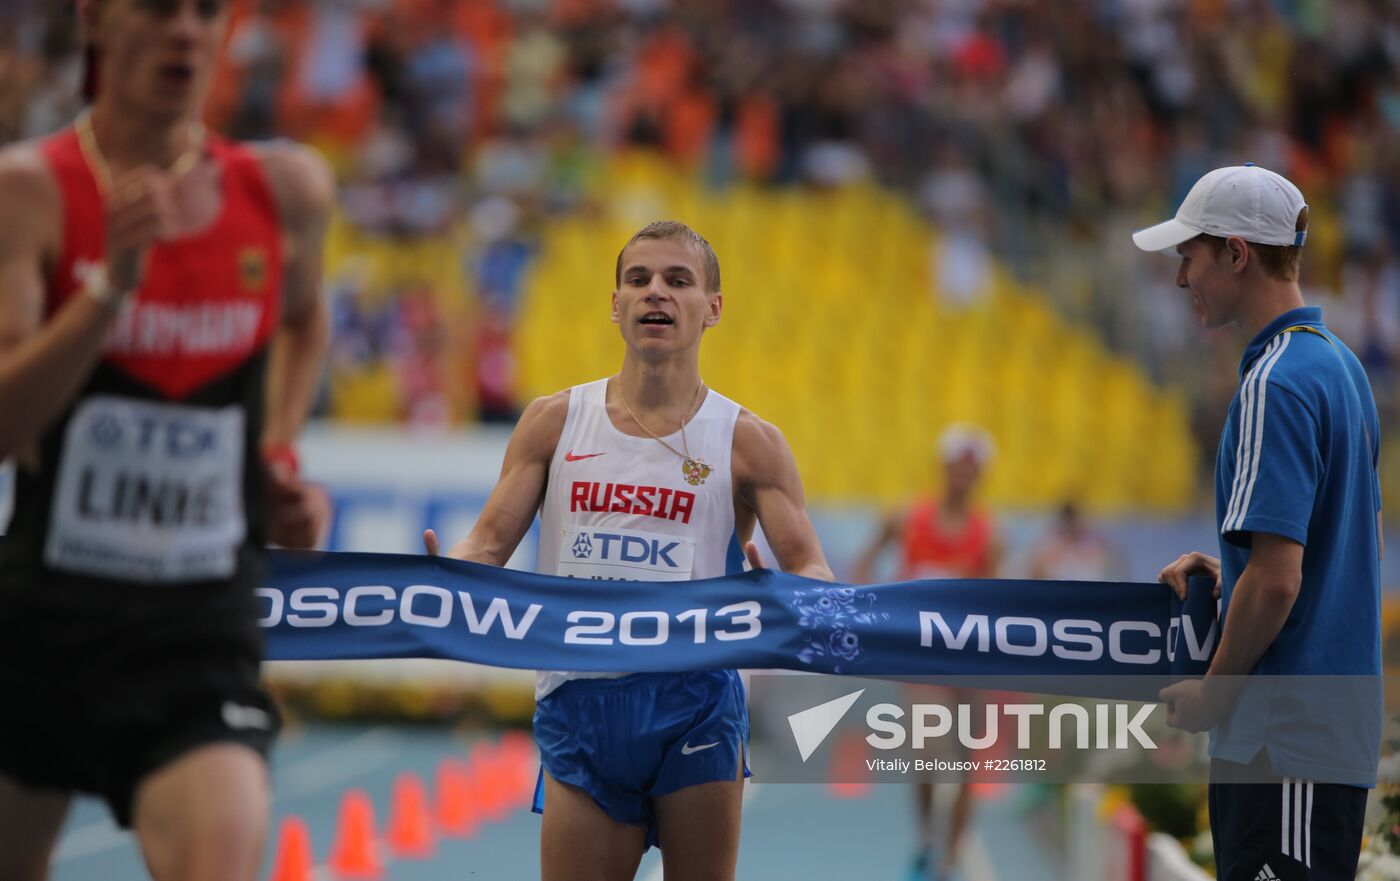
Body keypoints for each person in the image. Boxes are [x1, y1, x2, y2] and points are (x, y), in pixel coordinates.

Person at [0, 2, 333, 880]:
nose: (185, 31)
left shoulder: (282, 192)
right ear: (97, 22)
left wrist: (279, 455)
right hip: (42, 626)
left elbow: (305, 318)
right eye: (156, 8)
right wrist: (109, 290)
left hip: (196, 636)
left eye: (205, 10)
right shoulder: (29, 191)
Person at [423, 220, 833, 881]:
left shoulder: (748, 440)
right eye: (638, 279)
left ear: (713, 308)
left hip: (695, 697)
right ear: (614, 304)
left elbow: (813, 567)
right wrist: (444, 574)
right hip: (581, 699)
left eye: (678, 280)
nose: (656, 293)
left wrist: (786, 591)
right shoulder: (555, 421)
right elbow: (488, 543)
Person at [1137, 165, 1382, 881]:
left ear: (1237, 254)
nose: (1182, 277)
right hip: (1318, 735)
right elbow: (1336, 552)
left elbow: (1279, 582)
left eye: (1191, 254)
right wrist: (1234, 569)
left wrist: (1214, 691)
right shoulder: (1340, 367)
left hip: (1283, 739)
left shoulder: (1274, 381)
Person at [851, 424, 1000, 881]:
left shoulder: (987, 535)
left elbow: (994, 601)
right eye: (957, 465)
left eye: (971, 468)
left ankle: (950, 855)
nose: (963, 475)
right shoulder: (907, 518)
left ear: (980, 475)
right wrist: (876, 616)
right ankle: (926, 839)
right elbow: (863, 565)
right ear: (943, 466)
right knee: (930, 748)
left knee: (968, 760)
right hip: (918, 655)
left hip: (968, 660)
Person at [1026, 500, 1118, 582]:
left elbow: (1109, 564)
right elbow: (1035, 568)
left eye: (1071, 519)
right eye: (1066, 520)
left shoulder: (1092, 540)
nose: (1069, 524)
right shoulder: (1051, 541)